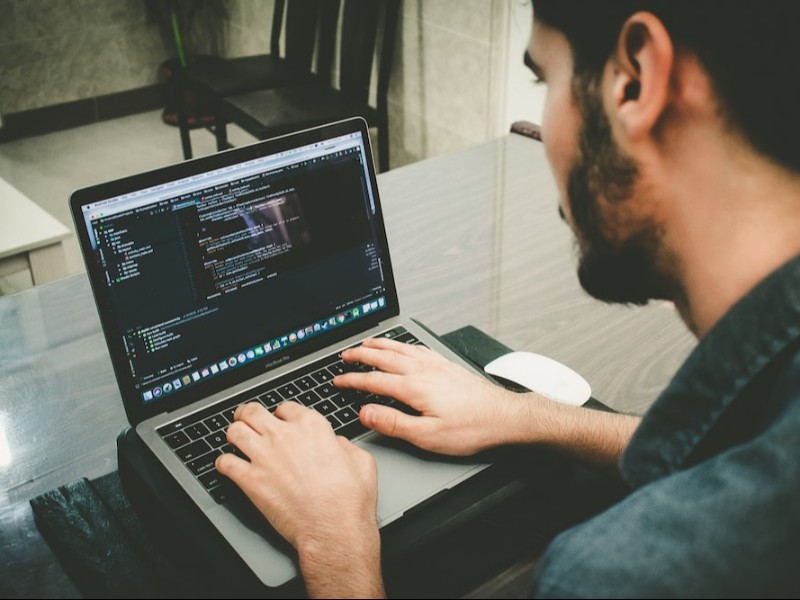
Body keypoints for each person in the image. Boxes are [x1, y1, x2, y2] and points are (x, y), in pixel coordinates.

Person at [216, 1, 800, 596]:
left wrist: (335, 541)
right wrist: (521, 413)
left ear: (636, 80)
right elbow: (718, 441)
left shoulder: (613, 576)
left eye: (544, 80)